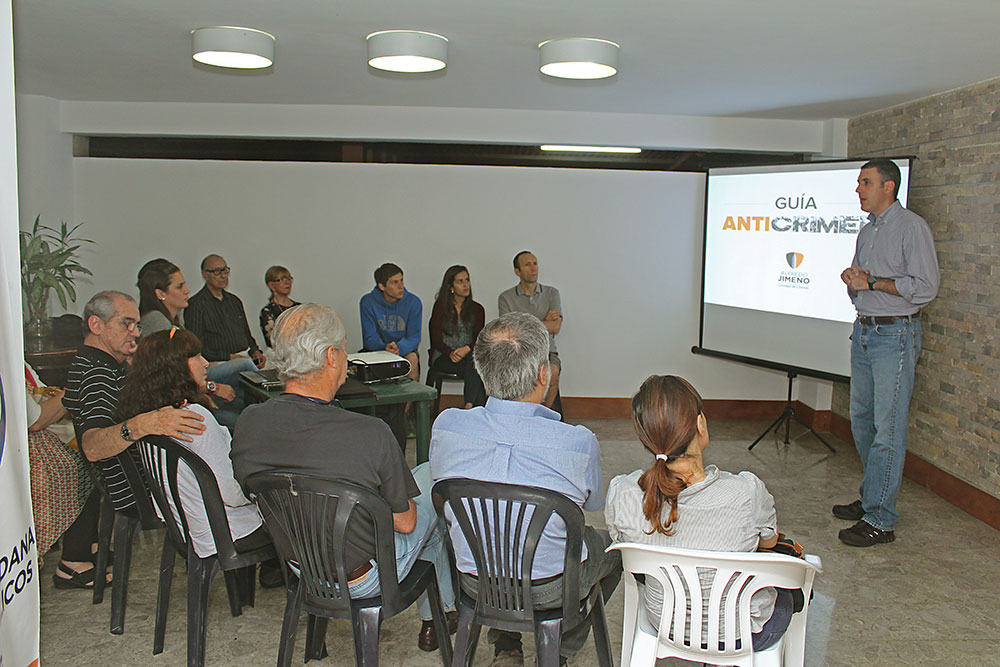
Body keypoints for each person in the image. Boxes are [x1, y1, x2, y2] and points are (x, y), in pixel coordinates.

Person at [230, 303, 456, 652]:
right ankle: (439, 616)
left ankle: (439, 615)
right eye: (345, 347)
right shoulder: (370, 433)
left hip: (302, 565)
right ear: (332, 357)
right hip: (361, 577)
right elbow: (406, 522)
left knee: (417, 488)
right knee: (430, 484)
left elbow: (255, 488)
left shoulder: (249, 422)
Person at [430, 312, 620, 666]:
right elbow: (593, 503)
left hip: (475, 581)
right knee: (615, 548)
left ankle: (506, 647)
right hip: (550, 587)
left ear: (483, 372)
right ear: (543, 375)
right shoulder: (578, 443)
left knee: (493, 535)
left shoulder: (447, 426)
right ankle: (559, 651)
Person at [605, 375, 794, 653]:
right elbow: (767, 543)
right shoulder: (746, 492)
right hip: (744, 632)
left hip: (666, 625)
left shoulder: (624, 493)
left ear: (647, 439)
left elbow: (630, 555)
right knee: (789, 593)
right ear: (700, 424)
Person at [116, 328, 281, 587]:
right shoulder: (194, 417)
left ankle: (276, 570)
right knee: (299, 508)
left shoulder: (150, 416)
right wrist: (267, 493)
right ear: (175, 367)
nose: (206, 363)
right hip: (224, 530)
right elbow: (231, 493)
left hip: (189, 528)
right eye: (196, 357)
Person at [835, 158, 940, 547]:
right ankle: (871, 497)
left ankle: (881, 519)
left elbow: (925, 287)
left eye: (865, 182)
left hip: (895, 336)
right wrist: (853, 281)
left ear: (888, 186)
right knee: (862, 421)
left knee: (888, 428)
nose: (859, 189)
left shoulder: (911, 228)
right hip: (864, 332)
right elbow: (861, 282)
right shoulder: (867, 231)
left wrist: (874, 281)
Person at [63, 291, 207, 519]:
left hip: (149, 479)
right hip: (141, 492)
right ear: (96, 324)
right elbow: (91, 447)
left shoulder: (100, 364)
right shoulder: (96, 374)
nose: (135, 333)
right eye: (126, 324)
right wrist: (144, 424)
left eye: (137, 326)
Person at [136, 258, 250, 429]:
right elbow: (173, 378)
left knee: (244, 397)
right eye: (179, 287)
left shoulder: (173, 318)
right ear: (160, 293)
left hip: (191, 391)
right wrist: (212, 387)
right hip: (175, 403)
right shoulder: (156, 321)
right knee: (243, 367)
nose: (187, 291)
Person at [24, 362, 99, 588]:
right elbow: (35, 419)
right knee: (79, 465)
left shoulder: (21, 362)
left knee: (91, 454)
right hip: (24, 448)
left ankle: (88, 545)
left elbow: (44, 395)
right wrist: (71, 391)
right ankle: (72, 561)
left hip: (44, 435)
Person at [498, 251, 562, 410]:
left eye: (535, 263)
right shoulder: (506, 298)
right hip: (518, 352)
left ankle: (542, 414)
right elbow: (510, 331)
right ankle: (521, 413)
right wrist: (543, 321)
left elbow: (555, 327)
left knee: (552, 371)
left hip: (546, 352)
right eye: (527, 265)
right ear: (517, 271)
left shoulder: (551, 293)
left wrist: (523, 323)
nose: (533, 268)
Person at [185, 253, 266, 369]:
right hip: (218, 362)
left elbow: (247, 335)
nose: (223, 276)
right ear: (205, 275)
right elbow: (196, 346)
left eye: (225, 270)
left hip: (244, 357)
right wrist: (229, 357)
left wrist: (256, 351)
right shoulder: (196, 304)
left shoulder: (235, 301)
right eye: (217, 271)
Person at [428, 265, 486, 408]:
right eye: (460, 281)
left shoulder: (478, 309)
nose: (465, 285)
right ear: (451, 286)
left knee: (474, 362)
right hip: (444, 356)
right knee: (476, 366)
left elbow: (479, 338)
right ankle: (473, 407)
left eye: (467, 280)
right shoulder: (440, 307)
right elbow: (435, 337)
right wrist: (450, 352)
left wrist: (466, 349)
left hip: (468, 355)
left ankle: (468, 405)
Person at [359, 262, 421, 383]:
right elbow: (369, 338)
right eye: (394, 282)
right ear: (382, 286)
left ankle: (409, 402)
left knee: (412, 358)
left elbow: (414, 338)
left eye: (402, 280)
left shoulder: (414, 302)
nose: (401, 286)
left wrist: (398, 349)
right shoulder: (368, 302)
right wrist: (384, 347)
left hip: (402, 350)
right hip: (377, 350)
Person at [259, 265, 300, 349]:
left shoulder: (300, 307)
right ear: (271, 285)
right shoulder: (268, 312)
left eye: (289, 279)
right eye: (281, 280)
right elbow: (274, 341)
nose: (287, 282)